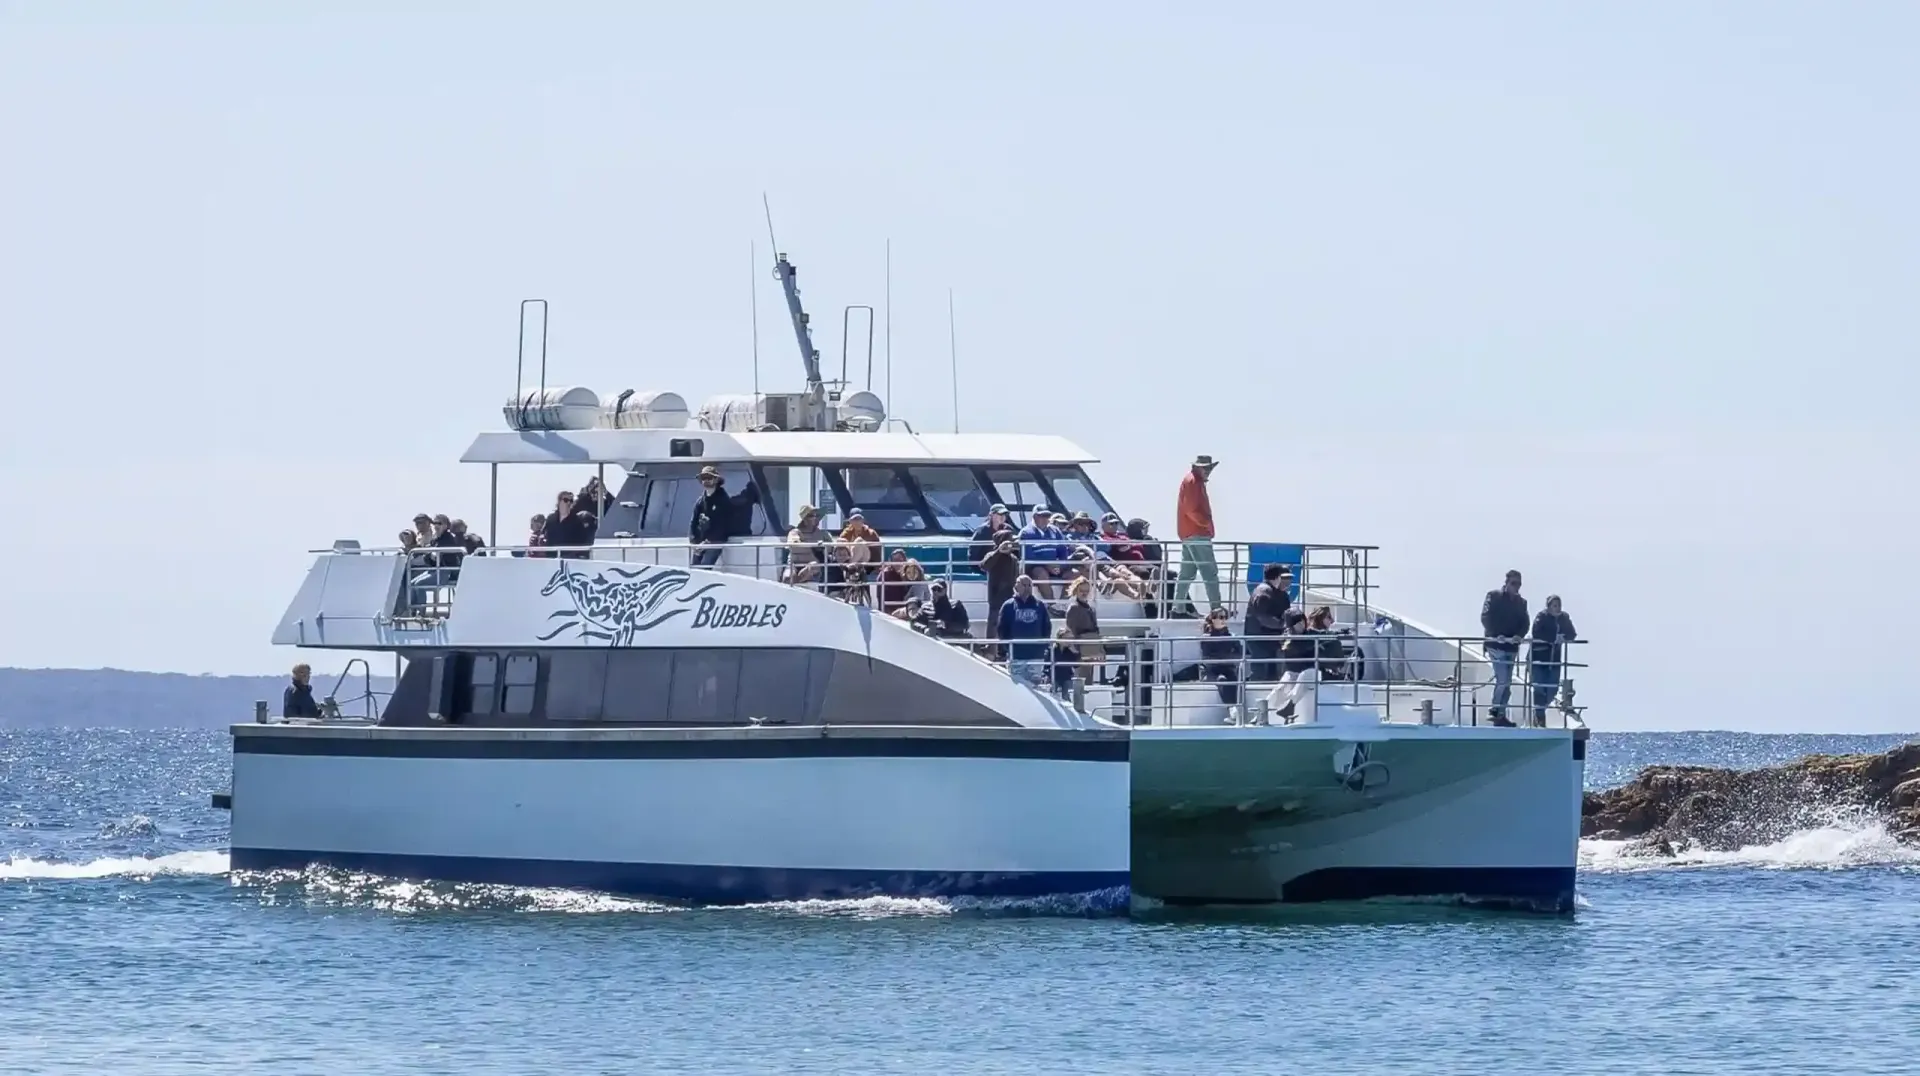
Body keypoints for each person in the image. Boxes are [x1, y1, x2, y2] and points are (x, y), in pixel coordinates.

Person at [1479, 569, 1530, 727]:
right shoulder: (1493, 596)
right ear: (1506, 583)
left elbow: (1525, 623)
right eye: (1513, 583)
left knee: (1507, 682)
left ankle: (1500, 715)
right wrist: (1496, 634)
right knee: (1503, 679)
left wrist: (1519, 636)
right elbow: (1485, 617)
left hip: (1511, 647)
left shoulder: (1521, 603)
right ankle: (1494, 710)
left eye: (1519, 584)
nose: (1516, 587)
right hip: (1495, 645)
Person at [1174, 454, 1222, 616]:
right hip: (1197, 534)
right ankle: (1216, 609)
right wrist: (1206, 522)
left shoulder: (1192, 481)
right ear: (1197, 467)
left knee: (1187, 573)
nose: (1208, 471)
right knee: (1210, 572)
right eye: (1205, 468)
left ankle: (1178, 609)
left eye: (1209, 468)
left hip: (1190, 533)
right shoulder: (1193, 482)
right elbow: (1191, 510)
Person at [1529, 594, 1578, 727]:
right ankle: (1539, 717)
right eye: (1554, 606)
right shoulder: (1541, 617)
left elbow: (1572, 634)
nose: (1557, 608)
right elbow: (1536, 632)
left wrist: (1564, 637)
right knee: (1539, 688)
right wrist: (1553, 637)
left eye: (1559, 605)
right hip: (1539, 658)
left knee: (1553, 689)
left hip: (1554, 659)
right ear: (1549, 606)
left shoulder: (1564, 618)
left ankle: (1539, 712)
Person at [996, 574, 1053, 686]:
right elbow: (1002, 629)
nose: (1027, 588)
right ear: (1016, 586)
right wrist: (1008, 647)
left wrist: (1042, 646)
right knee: (1017, 687)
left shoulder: (1040, 605)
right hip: (1016, 656)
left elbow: (1047, 627)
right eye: (1024, 585)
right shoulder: (1008, 606)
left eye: (1029, 585)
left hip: (1036, 656)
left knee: (1036, 687)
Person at [1242, 563, 1292, 682]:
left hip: (1270, 638)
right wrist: (1282, 624)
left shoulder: (1279, 593)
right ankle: (1252, 690)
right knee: (1260, 671)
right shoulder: (1263, 592)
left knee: (1272, 672)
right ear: (1278, 577)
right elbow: (1263, 617)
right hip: (1259, 638)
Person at [687, 466, 734, 567]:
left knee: (704, 567)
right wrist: (694, 542)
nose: (706, 481)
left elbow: (723, 525)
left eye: (709, 477)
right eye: (704, 478)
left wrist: (707, 543)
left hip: (716, 541)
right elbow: (693, 522)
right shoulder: (700, 501)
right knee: (693, 569)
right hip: (700, 542)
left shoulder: (723, 500)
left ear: (716, 480)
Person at [1018, 509, 1070, 597]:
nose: (1045, 519)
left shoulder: (1055, 531)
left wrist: (1060, 565)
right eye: (1042, 516)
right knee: (1041, 573)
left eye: (1047, 516)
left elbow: (1063, 551)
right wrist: (1046, 565)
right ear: (1035, 517)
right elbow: (1028, 557)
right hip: (1035, 568)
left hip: (1054, 566)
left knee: (1075, 573)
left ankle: (1063, 602)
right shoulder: (1025, 532)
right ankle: (1051, 603)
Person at [981, 530, 1021, 641]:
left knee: (1008, 623)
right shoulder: (991, 555)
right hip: (996, 596)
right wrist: (999, 551)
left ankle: (1005, 647)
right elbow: (984, 566)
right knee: (994, 623)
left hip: (1010, 595)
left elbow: (1016, 576)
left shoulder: (1013, 558)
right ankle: (990, 646)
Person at [1064, 575, 1103, 683]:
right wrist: (1075, 650)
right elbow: (1070, 629)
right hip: (1080, 648)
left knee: (1088, 678)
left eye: (1087, 591)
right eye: (1081, 591)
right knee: (1081, 679)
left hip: (1090, 646)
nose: (1084, 593)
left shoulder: (1090, 608)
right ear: (1076, 591)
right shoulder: (1074, 608)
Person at [1200, 608, 1242, 704]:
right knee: (1222, 680)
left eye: (1225, 617)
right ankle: (1231, 707)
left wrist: (1225, 657)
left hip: (1228, 669)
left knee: (1235, 680)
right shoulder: (1206, 638)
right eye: (1221, 617)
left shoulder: (1231, 636)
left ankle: (1236, 706)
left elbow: (1239, 654)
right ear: (1213, 619)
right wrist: (1228, 657)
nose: (1224, 620)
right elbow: (1208, 658)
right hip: (1211, 671)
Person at [783, 504, 830, 584]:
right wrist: (813, 546)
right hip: (794, 564)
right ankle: (796, 583)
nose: (815, 518)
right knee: (788, 577)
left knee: (813, 567)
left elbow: (831, 547)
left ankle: (798, 582)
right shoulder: (795, 532)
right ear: (804, 519)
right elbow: (794, 545)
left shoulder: (822, 534)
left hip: (813, 565)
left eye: (816, 515)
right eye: (811, 516)